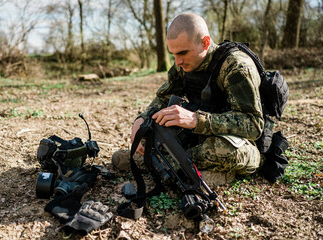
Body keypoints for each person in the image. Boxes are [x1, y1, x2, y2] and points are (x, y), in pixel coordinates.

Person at [112, 12, 264, 186]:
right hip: (196, 137)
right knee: (150, 132)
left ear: (205, 42)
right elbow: (163, 98)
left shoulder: (237, 67)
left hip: (236, 143)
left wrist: (195, 120)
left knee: (223, 151)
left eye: (183, 53)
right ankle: (171, 163)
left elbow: (253, 125)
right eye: (173, 54)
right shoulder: (184, 65)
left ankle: (163, 163)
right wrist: (141, 119)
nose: (177, 62)